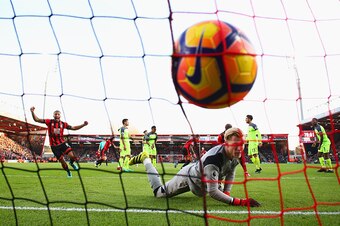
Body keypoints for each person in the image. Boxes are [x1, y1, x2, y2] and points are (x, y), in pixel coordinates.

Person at [128, 128, 261, 207]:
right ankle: (145, 159)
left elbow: (231, 171)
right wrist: (239, 202)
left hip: (203, 180)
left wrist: (227, 193)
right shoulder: (213, 159)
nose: (239, 148)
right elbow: (213, 192)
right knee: (159, 193)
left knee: (214, 189)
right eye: (235, 144)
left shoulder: (237, 154)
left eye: (242, 144)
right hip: (189, 178)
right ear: (226, 143)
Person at [30, 106, 88, 178]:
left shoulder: (63, 124)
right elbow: (37, 120)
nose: (57, 115)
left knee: (72, 156)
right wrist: (32, 112)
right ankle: (68, 172)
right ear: (53, 115)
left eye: (58, 114)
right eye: (55, 114)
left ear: (60, 116)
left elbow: (74, 128)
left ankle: (71, 163)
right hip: (54, 147)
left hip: (62, 144)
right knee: (62, 161)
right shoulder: (49, 122)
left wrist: (83, 125)